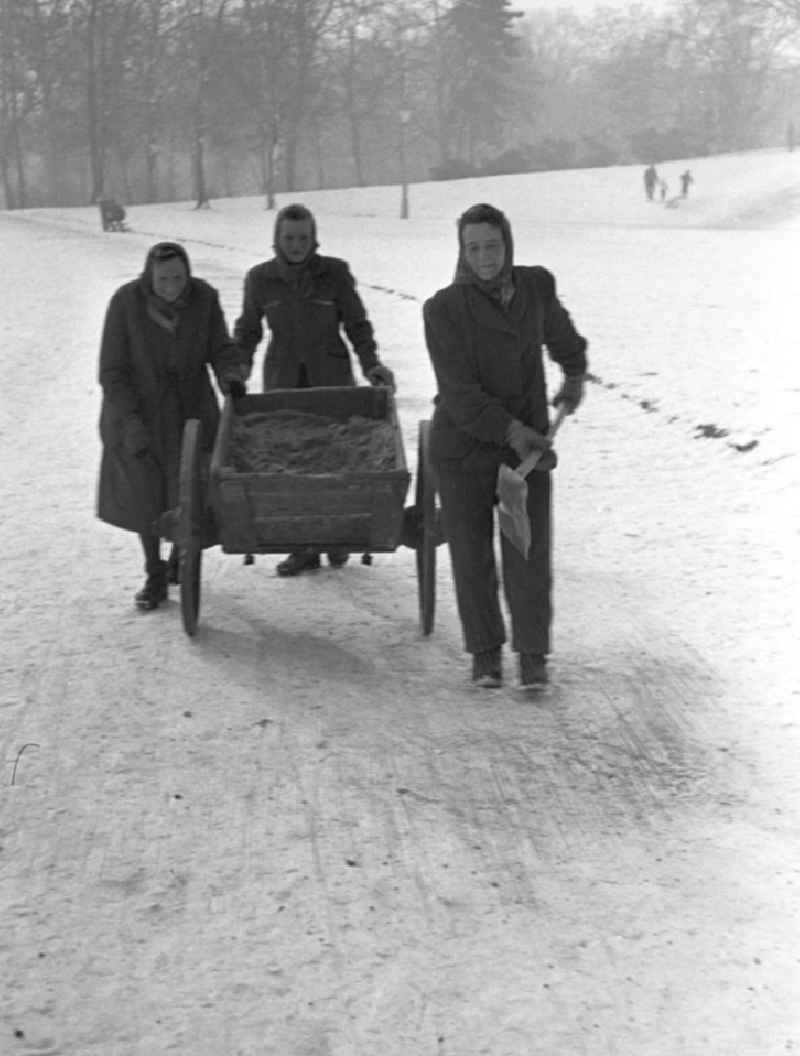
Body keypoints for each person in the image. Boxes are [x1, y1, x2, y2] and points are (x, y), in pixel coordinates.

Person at [422, 202, 588, 691]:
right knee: (472, 556)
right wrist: (515, 431)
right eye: (473, 248)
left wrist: (574, 373)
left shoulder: (535, 287)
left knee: (526, 552)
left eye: (492, 246)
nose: (485, 257)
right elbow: (461, 393)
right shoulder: (444, 309)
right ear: (461, 251)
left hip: (524, 457)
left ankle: (532, 655)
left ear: (507, 243)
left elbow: (561, 336)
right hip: (466, 451)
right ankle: (486, 655)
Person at [234, 202, 396, 577]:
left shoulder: (334, 274)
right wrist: (238, 368)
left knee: (336, 454)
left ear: (314, 239)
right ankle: (302, 545)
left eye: (303, 238)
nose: (296, 245)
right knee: (289, 459)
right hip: (283, 379)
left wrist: (371, 363)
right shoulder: (260, 279)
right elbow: (247, 331)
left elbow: (357, 324)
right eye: (289, 238)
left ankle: (338, 534)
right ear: (277, 240)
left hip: (332, 376)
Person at [97, 242, 245, 611]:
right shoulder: (126, 303)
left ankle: (182, 554)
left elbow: (220, 347)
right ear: (150, 275)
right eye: (163, 278)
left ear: (188, 274)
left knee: (190, 488)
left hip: (191, 410)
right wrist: (130, 418)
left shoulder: (204, 298)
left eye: (178, 277)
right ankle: (154, 573)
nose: (171, 285)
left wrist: (230, 374)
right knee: (144, 494)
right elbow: (112, 369)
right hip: (139, 413)